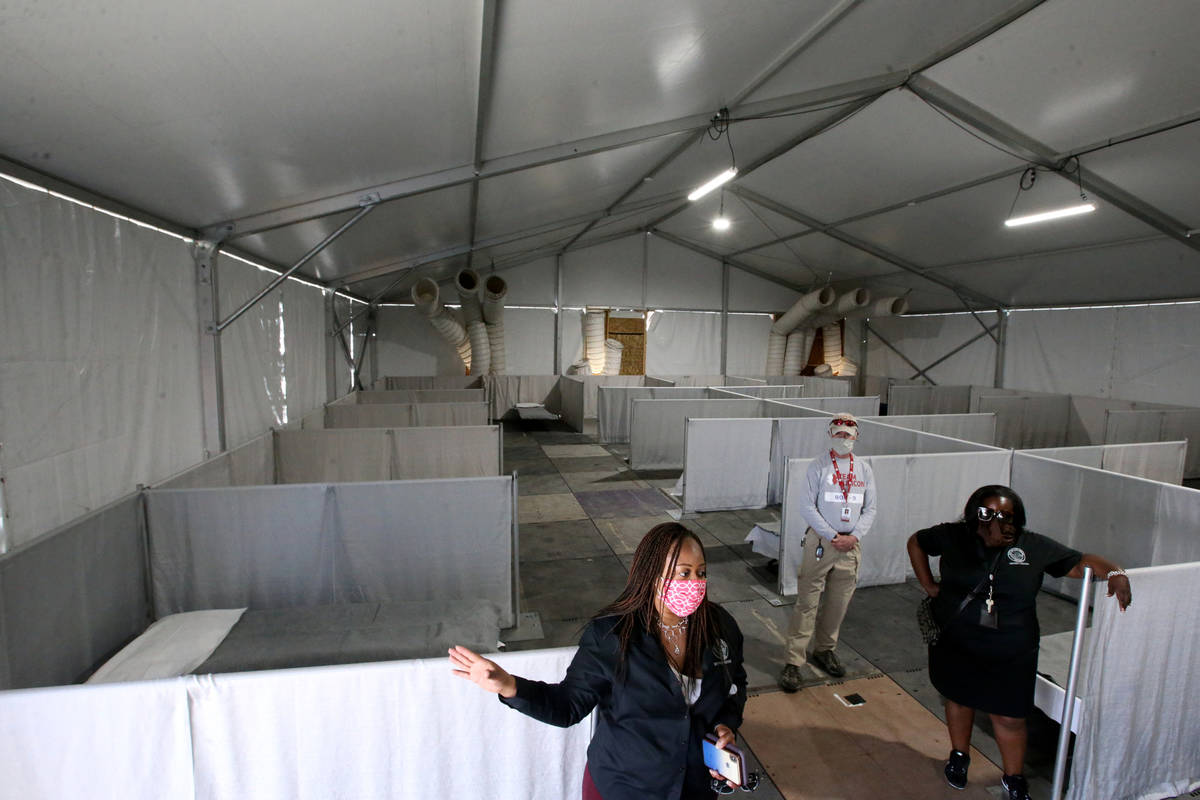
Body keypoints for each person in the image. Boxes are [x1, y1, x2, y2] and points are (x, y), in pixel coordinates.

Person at [449, 522, 748, 800]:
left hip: (694, 788)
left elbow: (735, 684)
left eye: (701, 572)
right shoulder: (611, 636)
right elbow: (567, 706)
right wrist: (509, 685)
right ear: (652, 575)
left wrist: (725, 724)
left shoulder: (720, 626)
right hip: (624, 788)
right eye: (684, 573)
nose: (695, 583)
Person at [906, 484, 1132, 800]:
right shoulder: (953, 536)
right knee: (958, 699)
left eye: (1005, 515)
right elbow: (916, 542)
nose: (995, 520)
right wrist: (928, 585)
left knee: (1010, 716)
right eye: (986, 512)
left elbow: (1081, 562)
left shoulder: (1032, 546)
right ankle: (959, 756)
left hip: (1011, 647)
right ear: (974, 512)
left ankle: (1013, 778)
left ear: (1017, 518)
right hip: (957, 639)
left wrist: (1115, 571)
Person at [778, 412, 876, 692]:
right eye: (838, 433)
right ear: (830, 435)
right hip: (821, 544)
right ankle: (794, 662)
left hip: (850, 546)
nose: (843, 438)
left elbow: (871, 508)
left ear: (856, 437)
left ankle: (825, 649)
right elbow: (807, 506)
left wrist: (854, 536)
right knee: (807, 603)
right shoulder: (818, 467)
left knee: (838, 603)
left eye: (848, 434)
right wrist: (832, 535)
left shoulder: (864, 470)